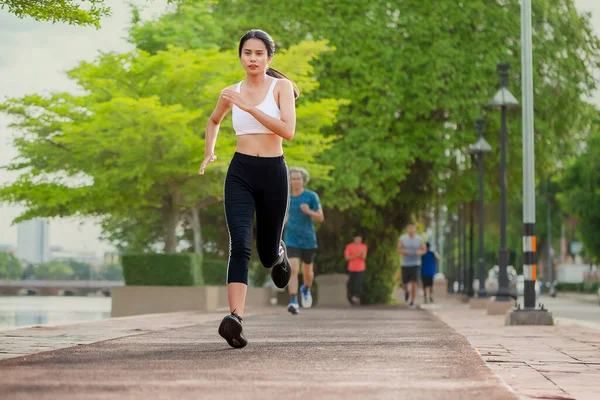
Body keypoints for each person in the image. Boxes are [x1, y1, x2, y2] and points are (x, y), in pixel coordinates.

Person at [199, 29, 299, 348]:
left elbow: (288, 131)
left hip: (273, 173)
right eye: (247, 53)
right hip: (240, 172)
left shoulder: (281, 87)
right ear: (240, 56)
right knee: (240, 245)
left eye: (258, 54)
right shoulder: (230, 91)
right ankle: (235, 319)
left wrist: (249, 107)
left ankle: (280, 256)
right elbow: (214, 121)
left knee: (267, 255)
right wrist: (209, 150)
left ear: (269, 58)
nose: (252, 59)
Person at [284, 166, 324, 315]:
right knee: (293, 269)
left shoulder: (311, 196)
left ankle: (306, 288)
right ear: (289, 181)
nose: (296, 182)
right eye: (293, 179)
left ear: (303, 180)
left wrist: (308, 211)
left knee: (308, 273)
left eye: (298, 179)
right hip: (291, 239)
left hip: (308, 239)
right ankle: (293, 301)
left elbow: (320, 217)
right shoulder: (285, 197)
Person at [397, 222, 426, 309]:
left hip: (415, 264)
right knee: (404, 284)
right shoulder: (403, 238)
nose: (411, 230)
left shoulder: (419, 239)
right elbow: (398, 249)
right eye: (409, 228)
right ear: (407, 229)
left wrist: (420, 252)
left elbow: (424, 249)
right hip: (405, 264)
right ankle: (406, 292)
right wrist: (404, 252)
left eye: (412, 228)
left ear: (415, 229)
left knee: (414, 283)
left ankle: (412, 301)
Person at [344, 235, 368, 305]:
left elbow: (363, 257)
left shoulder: (363, 246)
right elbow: (347, 257)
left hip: (360, 268)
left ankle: (357, 297)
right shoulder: (349, 246)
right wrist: (357, 255)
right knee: (351, 283)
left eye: (359, 239)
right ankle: (352, 297)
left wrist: (353, 256)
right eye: (357, 239)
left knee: (358, 282)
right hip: (351, 267)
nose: (358, 240)